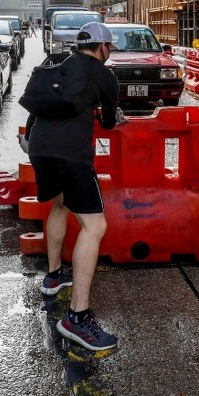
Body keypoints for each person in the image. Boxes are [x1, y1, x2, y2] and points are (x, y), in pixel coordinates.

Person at [27, 21, 123, 350]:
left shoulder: (56, 63)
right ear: (102, 47)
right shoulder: (104, 75)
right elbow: (108, 121)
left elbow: (37, 106)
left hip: (39, 146)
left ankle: (54, 276)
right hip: (70, 153)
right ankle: (77, 317)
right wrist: (109, 113)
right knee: (95, 226)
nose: (109, 53)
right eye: (109, 48)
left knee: (58, 204)